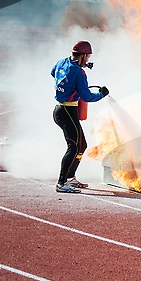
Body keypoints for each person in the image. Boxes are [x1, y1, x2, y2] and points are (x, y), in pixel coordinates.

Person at [51, 41, 109, 193]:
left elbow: (53, 73)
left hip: (60, 109)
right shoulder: (79, 72)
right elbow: (87, 96)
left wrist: (67, 86)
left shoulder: (61, 62)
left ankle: (70, 178)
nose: (88, 60)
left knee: (81, 145)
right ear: (82, 55)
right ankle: (61, 182)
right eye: (88, 56)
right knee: (74, 147)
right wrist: (101, 94)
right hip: (67, 112)